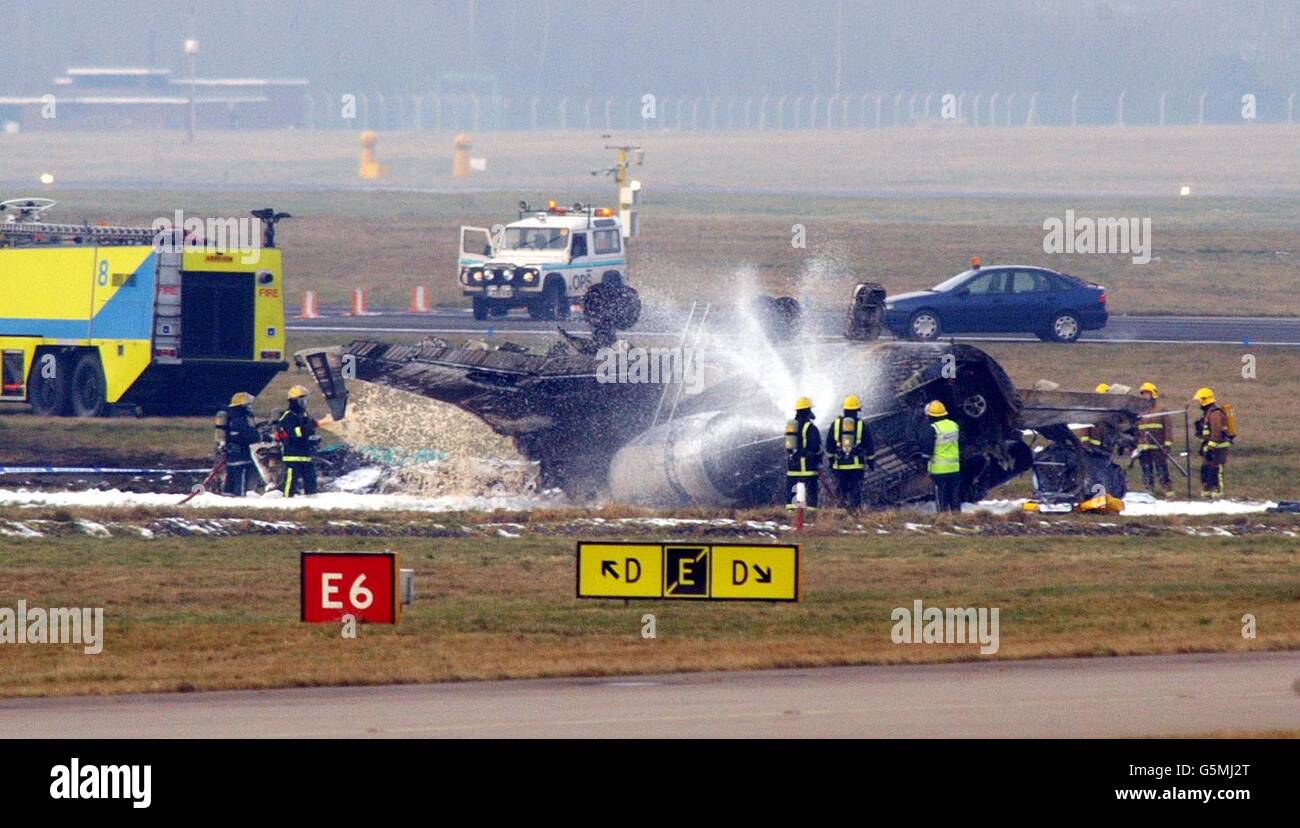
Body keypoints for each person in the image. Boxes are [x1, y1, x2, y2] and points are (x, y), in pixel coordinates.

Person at [825, 394, 876, 511]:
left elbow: (829, 444)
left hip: (839, 465)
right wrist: (871, 462)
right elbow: (869, 445)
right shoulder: (861, 425)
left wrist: (831, 460)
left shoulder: (836, 424)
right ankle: (854, 513)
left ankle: (840, 512)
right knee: (855, 491)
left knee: (841, 489)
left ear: (844, 409)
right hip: (856, 465)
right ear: (858, 410)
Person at [276, 385, 320, 497]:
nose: (304, 402)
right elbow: (295, 434)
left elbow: (306, 434)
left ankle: (312, 502)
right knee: (291, 482)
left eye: (305, 399)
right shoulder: (288, 416)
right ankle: (287, 502)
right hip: (292, 455)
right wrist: (308, 428)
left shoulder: (303, 414)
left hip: (305, 454)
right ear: (294, 401)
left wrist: (312, 439)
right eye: (301, 400)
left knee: (311, 481)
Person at [920, 400, 961, 512]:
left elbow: (928, 450)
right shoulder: (954, 426)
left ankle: (943, 517)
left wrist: (923, 464)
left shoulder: (933, 429)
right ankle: (958, 517)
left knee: (941, 497)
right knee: (955, 495)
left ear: (931, 416)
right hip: (954, 468)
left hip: (939, 471)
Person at [218, 391, 262, 496]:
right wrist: (260, 435)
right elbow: (251, 436)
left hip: (232, 458)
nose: (250, 408)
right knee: (240, 487)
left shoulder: (232, 419)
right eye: (248, 405)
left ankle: (227, 499)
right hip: (242, 459)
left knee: (229, 483)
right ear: (242, 406)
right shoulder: (240, 421)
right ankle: (239, 502)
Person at [1135, 382, 1174, 498]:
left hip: (1158, 446)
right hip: (1143, 447)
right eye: (1143, 394)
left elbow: (1168, 428)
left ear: (1153, 395)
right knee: (1146, 470)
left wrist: (1167, 444)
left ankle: (1168, 491)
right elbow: (1136, 429)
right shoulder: (1138, 412)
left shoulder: (1161, 409)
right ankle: (1149, 491)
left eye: (1147, 393)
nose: (1145, 396)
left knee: (1162, 469)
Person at [784, 396, 822, 509]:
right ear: (808, 411)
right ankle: (809, 516)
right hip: (808, 467)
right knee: (810, 491)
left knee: (794, 491)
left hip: (793, 466)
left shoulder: (791, 426)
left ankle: (793, 514)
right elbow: (816, 447)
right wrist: (819, 458)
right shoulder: (810, 427)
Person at [1193, 386, 1232, 498]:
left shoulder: (1215, 414)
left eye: (1200, 400)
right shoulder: (1207, 413)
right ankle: (1207, 492)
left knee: (1216, 470)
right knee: (1206, 470)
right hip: (1210, 447)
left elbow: (1216, 433)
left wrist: (1210, 448)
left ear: (1205, 400)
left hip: (1218, 448)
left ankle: (1218, 493)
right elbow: (1207, 434)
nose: (1199, 403)